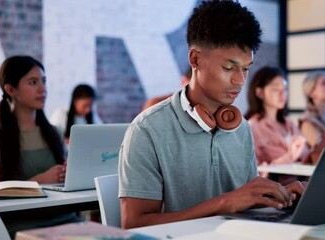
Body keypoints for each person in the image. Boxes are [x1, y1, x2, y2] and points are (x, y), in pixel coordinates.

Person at [119, 0, 306, 229]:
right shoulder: (146, 130)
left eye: (246, 68)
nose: (240, 81)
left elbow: (247, 201)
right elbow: (134, 223)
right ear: (195, 59)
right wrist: (224, 203)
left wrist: (280, 196)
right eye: (229, 68)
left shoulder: (241, 128)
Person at [0, 55, 80, 236]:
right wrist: (39, 181)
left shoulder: (54, 132)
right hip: (21, 224)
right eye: (33, 82)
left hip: (65, 217)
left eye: (43, 81)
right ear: (11, 90)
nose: (43, 89)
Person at [245, 66, 308, 183]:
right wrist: (289, 156)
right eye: (276, 89)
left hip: (302, 182)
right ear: (260, 93)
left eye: (285, 89)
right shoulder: (252, 127)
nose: (282, 94)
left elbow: (306, 156)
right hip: (278, 188)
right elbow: (255, 171)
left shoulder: (288, 123)